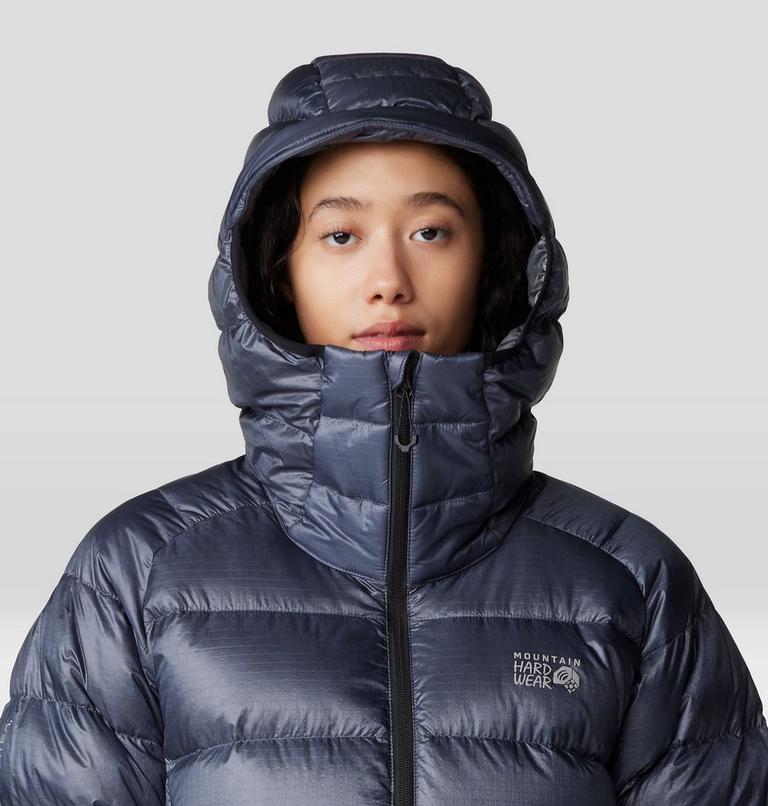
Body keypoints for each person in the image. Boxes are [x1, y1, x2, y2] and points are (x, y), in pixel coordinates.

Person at [0, 51, 766, 805]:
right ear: (276, 271)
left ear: (496, 263)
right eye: (341, 235)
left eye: (432, 232)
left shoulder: (629, 579)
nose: (389, 281)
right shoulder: (137, 571)